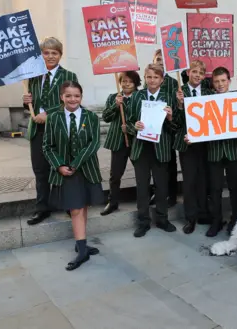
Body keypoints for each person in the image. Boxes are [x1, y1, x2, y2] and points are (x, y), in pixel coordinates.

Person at [43, 80, 103, 271]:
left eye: (76, 95)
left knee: (83, 206)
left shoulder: (91, 117)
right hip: (66, 172)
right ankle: (82, 250)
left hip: (85, 169)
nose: (72, 99)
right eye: (68, 95)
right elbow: (47, 146)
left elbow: (94, 143)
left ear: (81, 97)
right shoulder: (53, 118)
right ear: (62, 97)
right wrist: (59, 165)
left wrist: (76, 163)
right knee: (75, 209)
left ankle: (81, 242)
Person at [23, 37, 78, 226]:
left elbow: (72, 102)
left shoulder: (69, 76)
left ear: (60, 55)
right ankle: (42, 208)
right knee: (41, 171)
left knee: (64, 168)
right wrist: (26, 101)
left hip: (60, 130)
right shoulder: (34, 76)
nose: (50, 56)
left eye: (54, 53)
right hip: (38, 130)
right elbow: (32, 105)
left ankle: (70, 205)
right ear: (41, 55)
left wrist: (49, 114)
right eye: (46, 52)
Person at [125, 64, 177, 237]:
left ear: (162, 79)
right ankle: (143, 221)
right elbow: (128, 123)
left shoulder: (168, 97)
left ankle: (162, 219)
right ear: (145, 78)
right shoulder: (137, 96)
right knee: (142, 187)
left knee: (162, 187)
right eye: (149, 77)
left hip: (161, 149)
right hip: (141, 149)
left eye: (156, 77)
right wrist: (135, 126)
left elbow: (175, 127)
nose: (152, 80)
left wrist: (170, 118)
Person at [205, 67, 237, 237]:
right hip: (214, 151)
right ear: (212, 83)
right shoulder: (206, 100)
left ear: (229, 81)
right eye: (216, 81)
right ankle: (216, 221)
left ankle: (235, 221)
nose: (220, 84)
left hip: (233, 151)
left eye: (223, 81)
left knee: (235, 188)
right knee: (214, 188)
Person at [174, 60, 213, 234]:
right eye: (194, 71)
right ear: (188, 72)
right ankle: (190, 217)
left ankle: (203, 212)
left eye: (201, 73)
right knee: (189, 181)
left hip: (205, 143)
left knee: (203, 179)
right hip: (187, 143)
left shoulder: (208, 91)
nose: (197, 75)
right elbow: (174, 121)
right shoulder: (180, 91)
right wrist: (180, 105)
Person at [100, 71, 140, 216]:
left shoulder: (140, 97)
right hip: (118, 141)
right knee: (115, 174)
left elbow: (140, 118)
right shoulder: (113, 97)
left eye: (130, 81)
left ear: (136, 83)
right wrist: (116, 106)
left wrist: (129, 127)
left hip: (136, 141)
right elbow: (106, 117)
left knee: (141, 172)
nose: (126, 84)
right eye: (123, 81)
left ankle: (144, 198)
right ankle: (113, 201)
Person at [153, 49, 179, 207]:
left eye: (164, 60)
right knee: (156, 164)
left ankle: (172, 194)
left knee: (170, 163)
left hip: (167, 129)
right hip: (152, 129)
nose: (161, 62)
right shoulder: (149, 80)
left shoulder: (173, 82)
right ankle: (158, 193)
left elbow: (174, 106)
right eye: (158, 59)